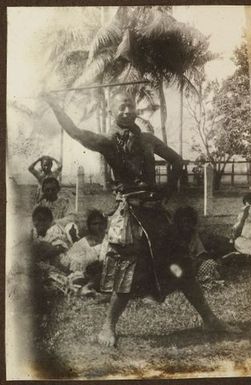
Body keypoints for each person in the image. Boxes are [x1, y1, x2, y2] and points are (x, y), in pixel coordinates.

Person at [43, 91, 239, 347]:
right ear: (113, 111)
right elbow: (78, 133)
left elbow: (177, 161)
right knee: (125, 270)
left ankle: (209, 319)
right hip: (130, 215)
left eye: (130, 106)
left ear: (136, 109)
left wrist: (166, 189)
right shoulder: (108, 142)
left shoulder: (147, 139)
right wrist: (56, 106)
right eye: (121, 107)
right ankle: (108, 327)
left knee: (180, 264)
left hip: (156, 214)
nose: (127, 111)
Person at [66, 209, 108, 295]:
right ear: (89, 226)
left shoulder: (109, 241)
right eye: (94, 224)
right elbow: (75, 267)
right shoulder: (82, 244)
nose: (98, 227)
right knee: (75, 279)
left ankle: (87, 288)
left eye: (101, 223)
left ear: (105, 225)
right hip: (87, 275)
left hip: (105, 275)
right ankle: (86, 288)